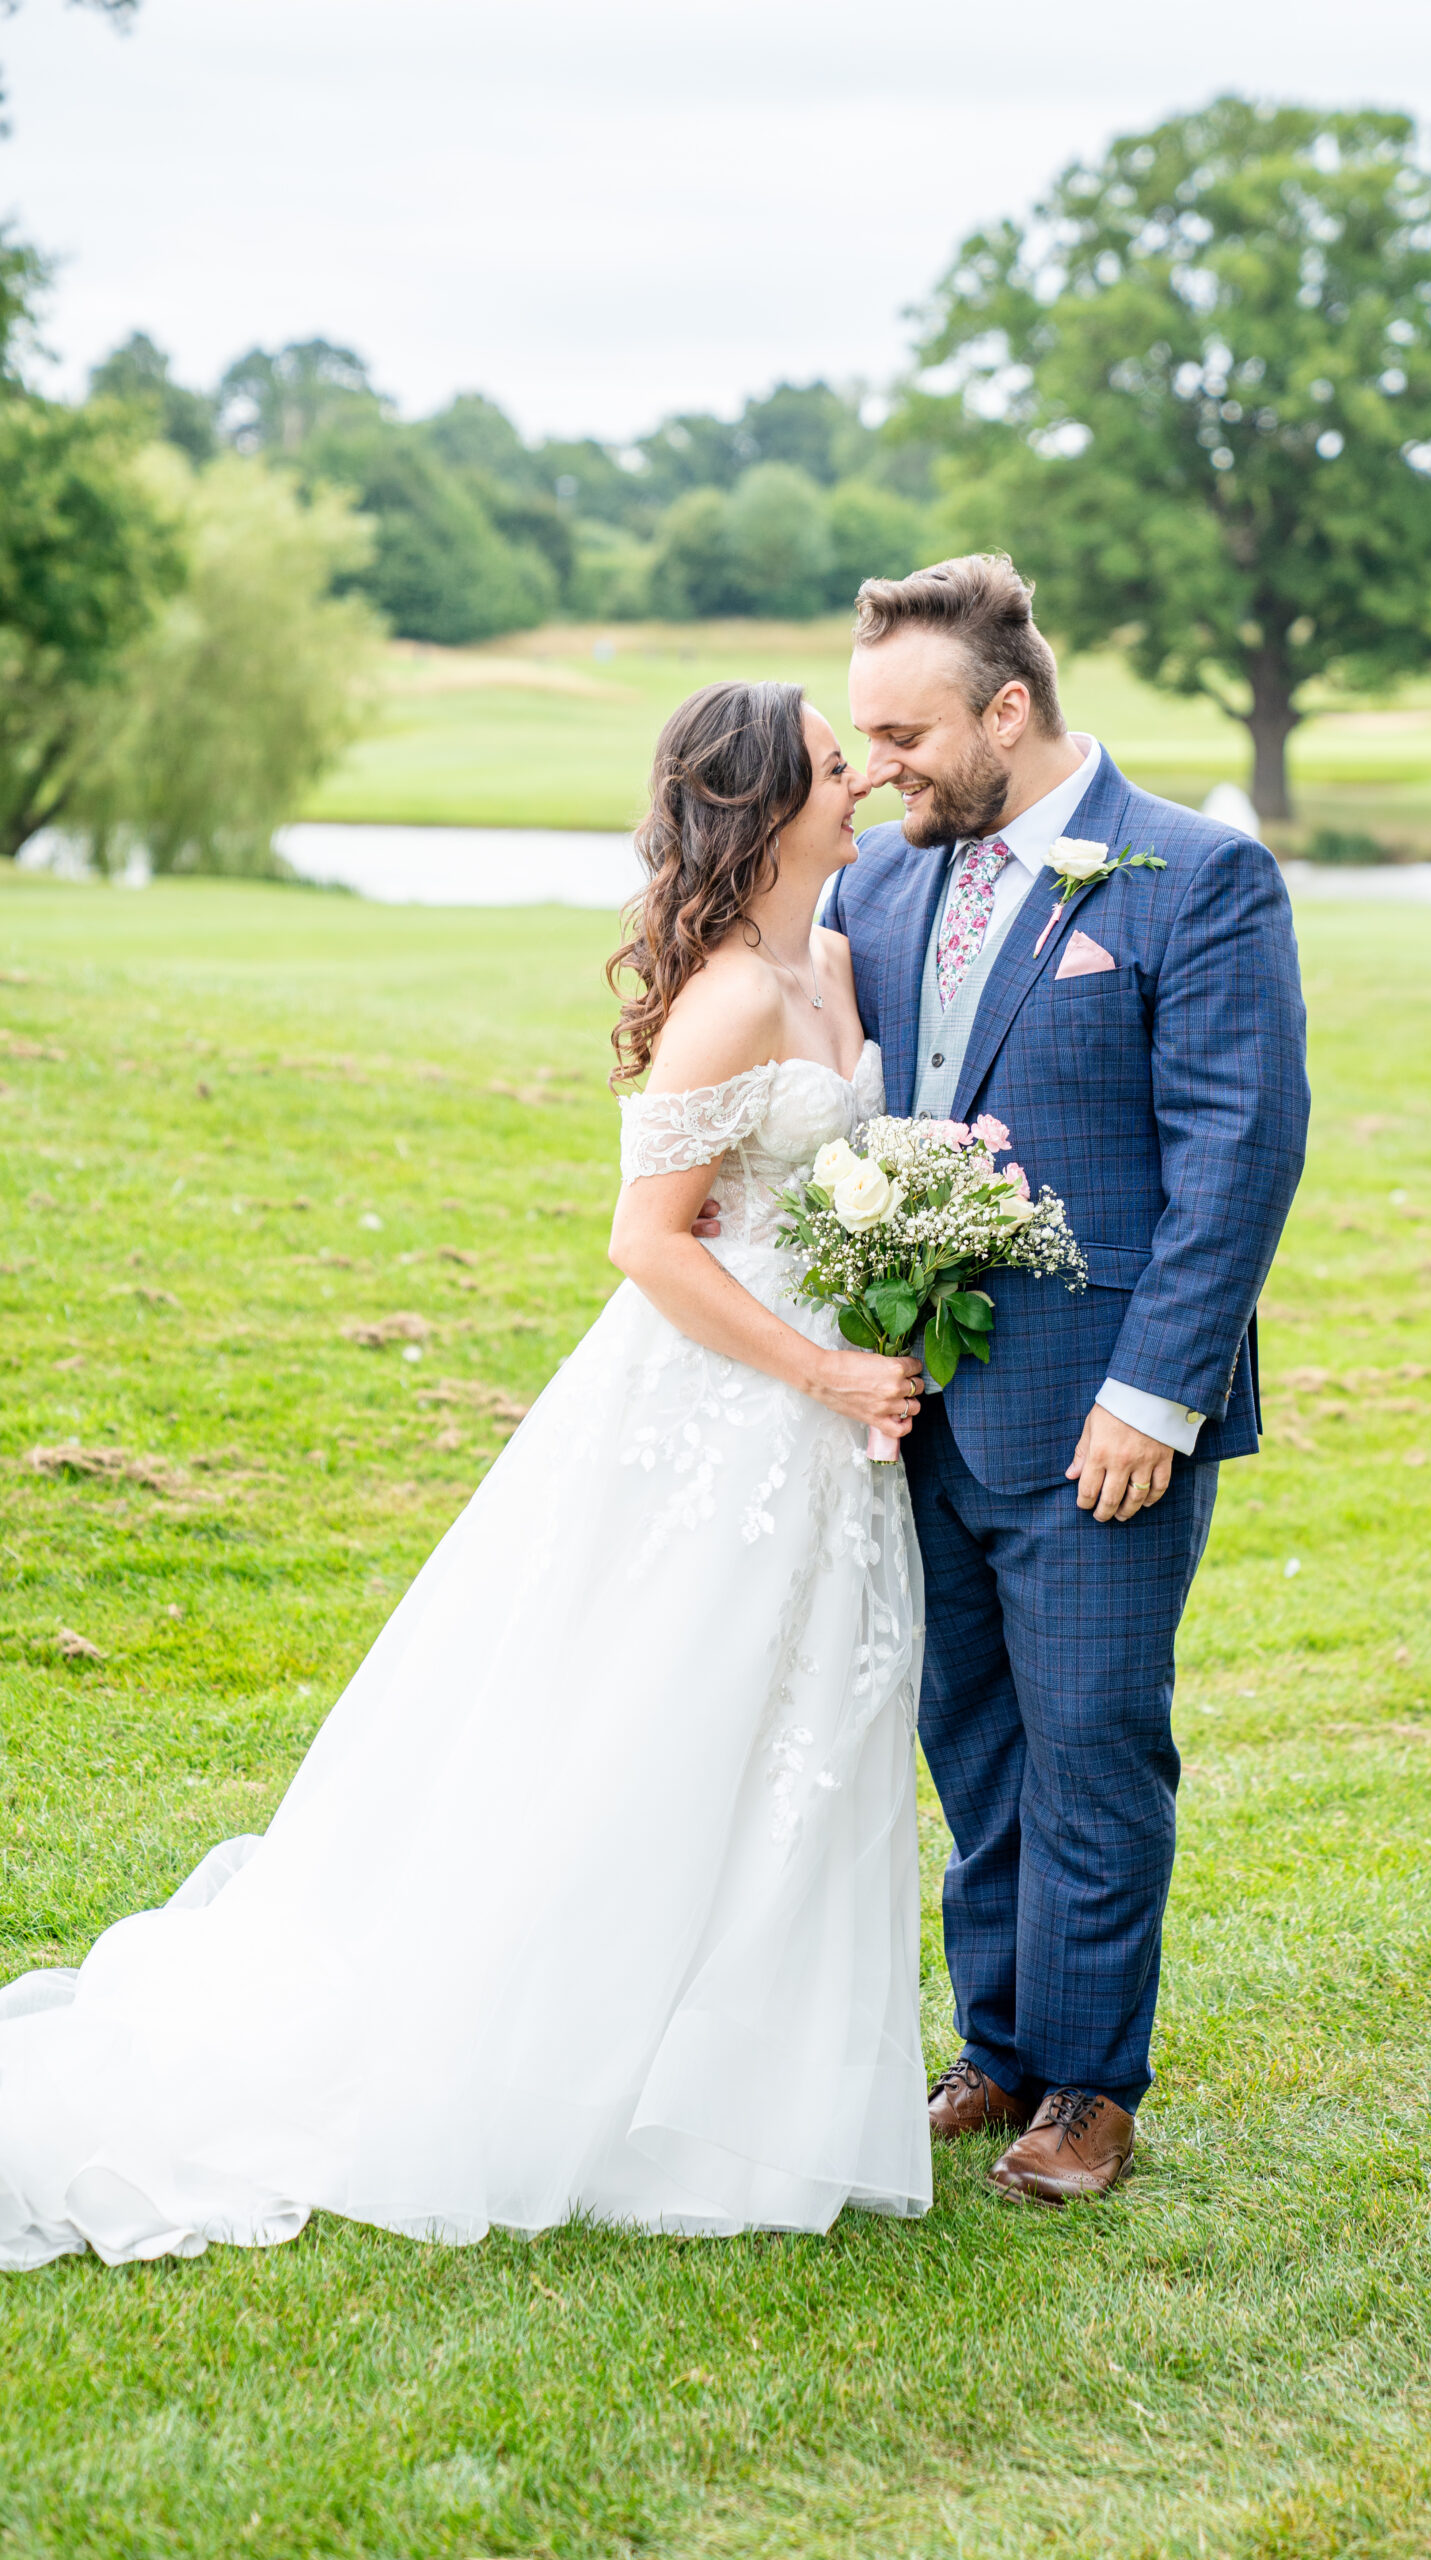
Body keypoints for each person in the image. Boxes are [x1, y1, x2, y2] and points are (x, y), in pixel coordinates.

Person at [0, 682, 931, 2269]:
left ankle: (744, 2085)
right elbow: (645, 1242)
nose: (869, 787)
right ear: (770, 805)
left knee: (802, 1734)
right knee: (653, 1715)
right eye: (842, 768)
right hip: (719, 1411)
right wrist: (831, 1367)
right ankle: (564, 2062)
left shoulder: (833, 959)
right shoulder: (725, 1001)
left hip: (826, 1434)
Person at [823, 556, 1308, 2202]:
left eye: (902, 731)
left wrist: (1157, 1396)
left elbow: (1237, 1151)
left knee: (1094, 1732)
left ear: (1008, 710)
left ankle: (1091, 2088)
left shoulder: (1196, 874)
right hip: (923, 1409)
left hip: (1107, 1412)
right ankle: (1002, 2049)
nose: (875, 762)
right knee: (970, 1732)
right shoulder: (876, 893)